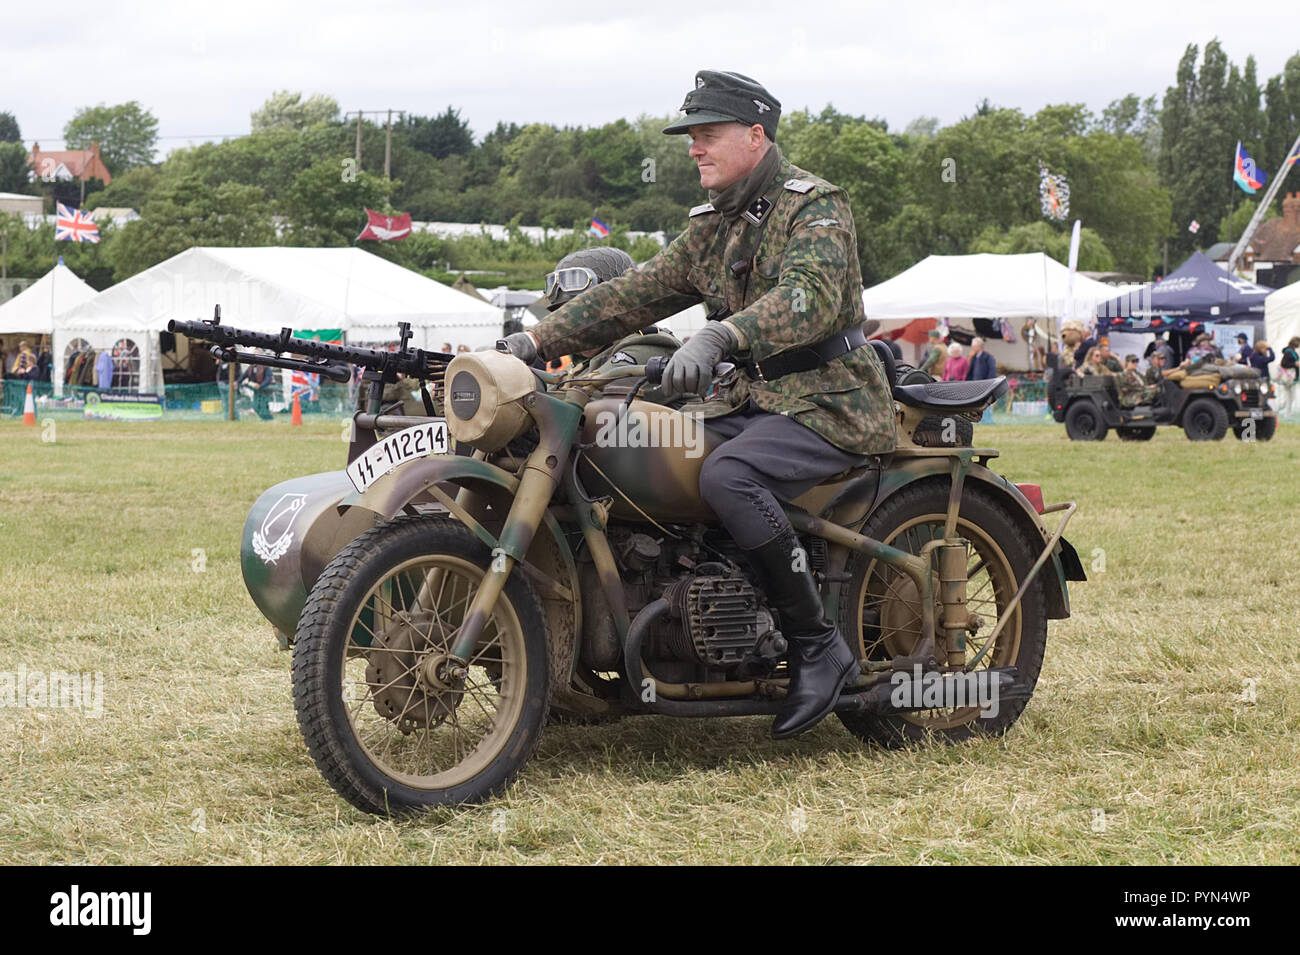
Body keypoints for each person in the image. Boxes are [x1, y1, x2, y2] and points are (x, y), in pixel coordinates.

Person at [495, 69, 896, 739]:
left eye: (707, 136)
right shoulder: (715, 224)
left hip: (829, 400)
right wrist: (531, 341)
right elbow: (635, 294)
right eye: (691, 138)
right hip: (751, 399)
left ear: (756, 136)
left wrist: (722, 333)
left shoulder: (816, 206)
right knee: (643, 451)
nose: (693, 149)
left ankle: (818, 645)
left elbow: (810, 297)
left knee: (728, 475)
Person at [1277, 336, 1299, 417]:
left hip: (1291, 376)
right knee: (1289, 396)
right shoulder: (1289, 352)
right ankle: (1282, 411)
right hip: (1289, 376)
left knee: (1289, 396)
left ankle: (1283, 411)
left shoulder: (1290, 351)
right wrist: (1294, 364)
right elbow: (1284, 364)